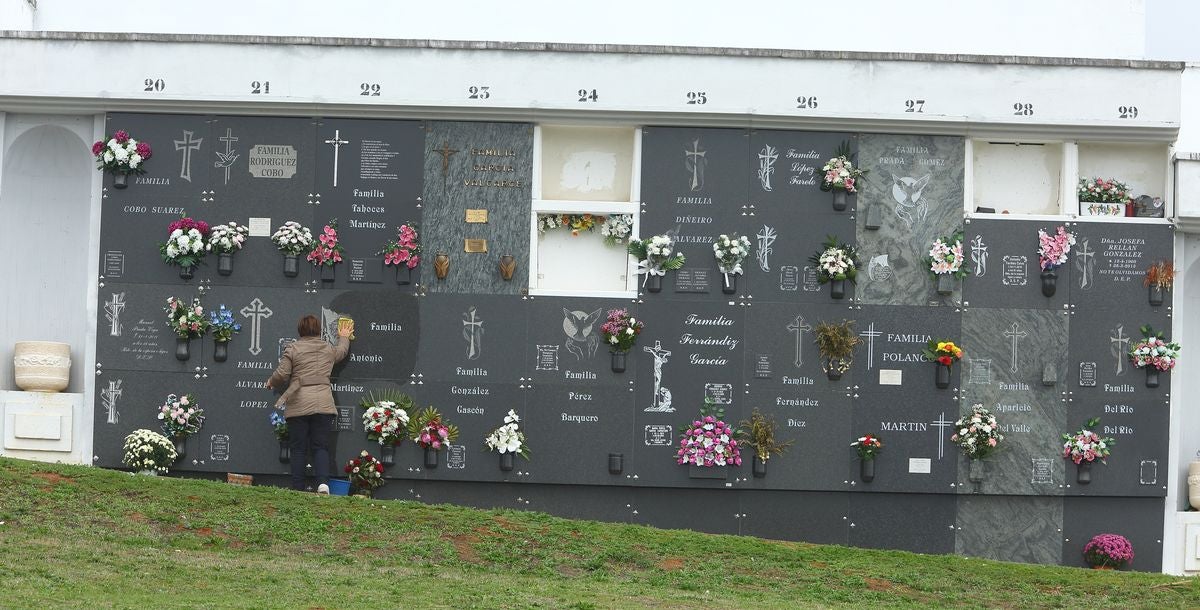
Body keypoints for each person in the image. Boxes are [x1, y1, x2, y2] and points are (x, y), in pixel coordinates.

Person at [266, 315, 352, 493]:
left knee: (298, 448)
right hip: (323, 403)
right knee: (321, 446)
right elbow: (342, 352)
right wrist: (344, 336)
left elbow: (282, 374)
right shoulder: (328, 348)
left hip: (299, 403)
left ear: (300, 330)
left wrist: (271, 382)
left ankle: (298, 487)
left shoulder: (293, 349)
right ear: (318, 330)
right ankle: (323, 484)